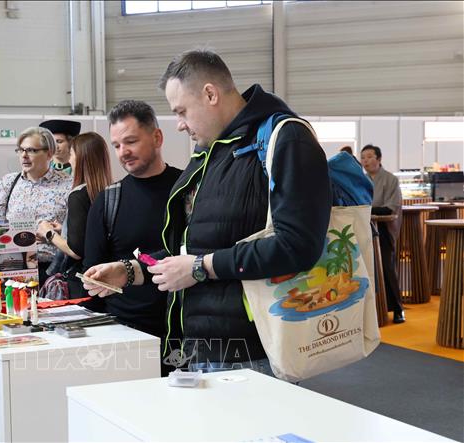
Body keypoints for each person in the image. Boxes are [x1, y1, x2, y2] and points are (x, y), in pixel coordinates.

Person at [84, 49, 331, 375]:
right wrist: (130, 271)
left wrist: (201, 268)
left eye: (181, 111)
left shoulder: (285, 138)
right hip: (202, 346)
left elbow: (298, 244)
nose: (180, 125)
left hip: (255, 352)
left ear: (210, 94)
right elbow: (191, 249)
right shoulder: (211, 151)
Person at [83, 100, 182, 340]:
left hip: (184, 328)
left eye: (131, 141)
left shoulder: (187, 190)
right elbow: (93, 276)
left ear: (157, 138)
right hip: (126, 331)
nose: (123, 152)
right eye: (116, 145)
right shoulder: (108, 201)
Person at [0, 127, 72, 284]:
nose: (24, 155)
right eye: (21, 150)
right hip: (10, 265)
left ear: (49, 153)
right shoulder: (8, 182)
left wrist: (51, 235)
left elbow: (74, 235)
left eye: (31, 150)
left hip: (49, 270)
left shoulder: (68, 185)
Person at [37, 132, 113, 296]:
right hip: (108, 278)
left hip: (82, 281)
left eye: (71, 154)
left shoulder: (78, 195)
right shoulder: (110, 192)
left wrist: (48, 232)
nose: (69, 159)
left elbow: (76, 250)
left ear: (81, 158)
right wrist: (64, 229)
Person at [360, 144, 405, 323]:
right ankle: (373, 311)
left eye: (370, 156)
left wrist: (367, 209)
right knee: (365, 269)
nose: (366, 160)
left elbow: (391, 207)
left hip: (384, 229)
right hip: (364, 227)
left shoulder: (390, 179)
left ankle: (398, 309)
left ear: (379, 159)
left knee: (387, 266)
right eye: (363, 157)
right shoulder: (360, 179)